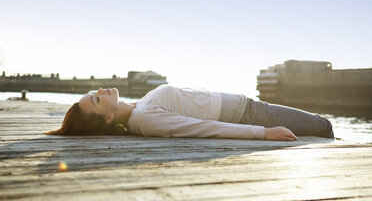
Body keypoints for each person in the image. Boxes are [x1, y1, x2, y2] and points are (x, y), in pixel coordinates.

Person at [46, 84, 334, 141]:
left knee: (320, 125)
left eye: (93, 93)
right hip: (252, 116)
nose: (100, 92)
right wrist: (263, 133)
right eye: (96, 100)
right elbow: (202, 127)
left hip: (250, 108)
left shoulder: (140, 106)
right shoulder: (144, 119)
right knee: (323, 125)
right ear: (107, 118)